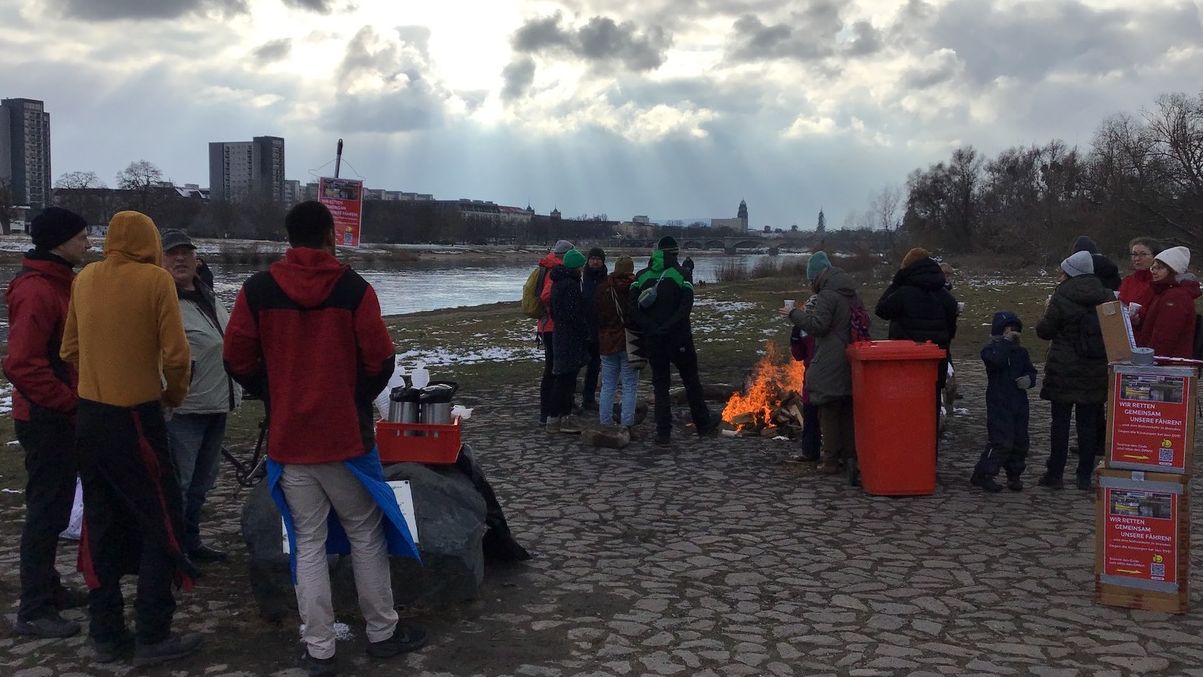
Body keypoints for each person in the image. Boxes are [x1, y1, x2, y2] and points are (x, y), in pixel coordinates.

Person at [224, 201, 426, 674]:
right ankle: (382, 631)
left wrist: (274, 392)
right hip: (347, 439)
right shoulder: (354, 289)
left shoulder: (258, 290)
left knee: (307, 541)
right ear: (330, 235)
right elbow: (381, 357)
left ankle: (319, 647)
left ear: (288, 237)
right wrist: (354, 397)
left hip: (291, 439)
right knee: (365, 534)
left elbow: (235, 356)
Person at [60, 211, 201, 666]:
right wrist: (171, 395)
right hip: (136, 417)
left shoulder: (84, 279)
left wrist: (99, 372)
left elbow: (69, 348)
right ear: (150, 243)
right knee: (160, 519)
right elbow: (176, 355)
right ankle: (153, 632)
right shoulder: (155, 281)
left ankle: (105, 631)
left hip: (90, 417)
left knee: (100, 523)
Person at [3, 207, 90, 639]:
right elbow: (21, 363)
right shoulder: (38, 289)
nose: (88, 244)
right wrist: (69, 404)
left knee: (54, 507)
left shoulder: (59, 282)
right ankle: (34, 608)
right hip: (46, 417)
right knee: (45, 510)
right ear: (59, 242)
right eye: (81, 237)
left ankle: (49, 589)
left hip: (58, 413)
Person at [160, 229, 241, 564]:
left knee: (202, 482)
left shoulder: (208, 295)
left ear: (197, 259)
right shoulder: (161, 300)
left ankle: (191, 541)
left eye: (186, 252)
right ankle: (173, 553)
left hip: (216, 402)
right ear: (160, 261)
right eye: (172, 253)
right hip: (183, 408)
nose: (180, 258)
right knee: (179, 483)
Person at [629, 236, 719, 446]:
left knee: (660, 385)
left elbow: (632, 308)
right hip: (679, 338)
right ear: (676, 253)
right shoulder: (682, 274)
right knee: (691, 381)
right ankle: (703, 423)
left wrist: (651, 327)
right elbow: (685, 308)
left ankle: (663, 433)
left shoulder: (641, 276)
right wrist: (668, 326)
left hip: (653, 340)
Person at [1036, 250, 1112, 491]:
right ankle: (1084, 476)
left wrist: (1046, 311)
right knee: (1088, 424)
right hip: (1094, 368)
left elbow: (1045, 331)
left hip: (1064, 368)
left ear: (1070, 272)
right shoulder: (1107, 295)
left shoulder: (1061, 295)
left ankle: (1055, 474)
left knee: (1060, 423)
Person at [784, 251, 860, 476]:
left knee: (828, 409)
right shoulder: (849, 292)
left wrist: (794, 315)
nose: (811, 285)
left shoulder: (828, 295)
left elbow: (819, 326)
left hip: (831, 359)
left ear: (818, 276)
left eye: (811, 280)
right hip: (850, 356)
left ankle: (830, 460)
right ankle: (850, 457)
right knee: (845, 409)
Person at [873, 247, 958, 401]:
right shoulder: (945, 296)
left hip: (906, 361)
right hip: (936, 362)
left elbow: (881, 310)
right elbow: (951, 329)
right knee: (932, 405)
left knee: (907, 406)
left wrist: (896, 283)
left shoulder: (902, 293)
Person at [970, 311, 1037, 492]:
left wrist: (1029, 380)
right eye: (1008, 329)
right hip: (999, 400)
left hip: (1019, 401)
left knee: (1020, 441)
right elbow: (995, 361)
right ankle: (984, 473)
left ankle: (1014, 474)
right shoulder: (991, 350)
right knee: (1001, 440)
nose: (1013, 333)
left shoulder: (1021, 353)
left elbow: (1031, 371)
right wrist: (1005, 343)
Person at [594, 255, 640, 430]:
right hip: (629, 342)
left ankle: (605, 422)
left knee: (608, 385)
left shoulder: (603, 288)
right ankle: (627, 423)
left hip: (607, 341)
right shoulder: (635, 288)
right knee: (629, 385)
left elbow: (596, 315)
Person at [547, 248, 588, 433]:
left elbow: (554, 311)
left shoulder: (557, 282)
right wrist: (584, 328)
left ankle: (555, 418)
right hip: (570, 337)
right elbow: (574, 314)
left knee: (562, 378)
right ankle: (561, 418)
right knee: (566, 380)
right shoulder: (571, 285)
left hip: (560, 333)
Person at [1135, 246, 1199, 358]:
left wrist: (1150, 359)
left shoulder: (1175, 297)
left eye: (1159, 268)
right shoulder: (1162, 293)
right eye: (1153, 268)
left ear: (1173, 270)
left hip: (1168, 362)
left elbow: (1165, 336)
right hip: (1161, 360)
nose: (1154, 271)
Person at [535, 240, 573, 425]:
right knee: (554, 370)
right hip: (552, 326)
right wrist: (560, 308)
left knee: (552, 368)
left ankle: (550, 410)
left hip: (545, 325)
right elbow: (546, 296)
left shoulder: (547, 266)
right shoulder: (556, 269)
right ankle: (550, 411)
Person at [579, 247, 608, 411]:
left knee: (595, 365)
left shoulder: (606, 280)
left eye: (598, 259)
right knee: (576, 364)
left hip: (599, 329)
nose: (595, 262)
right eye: (592, 259)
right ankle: (568, 398)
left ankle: (588, 398)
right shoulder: (581, 279)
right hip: (583, 328)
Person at [1119, 237, 1163, 317]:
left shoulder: (1161, 281)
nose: (1137, 258)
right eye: (1134, 254)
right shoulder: (1127, 281)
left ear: (1155, 256)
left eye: (1143, 254)